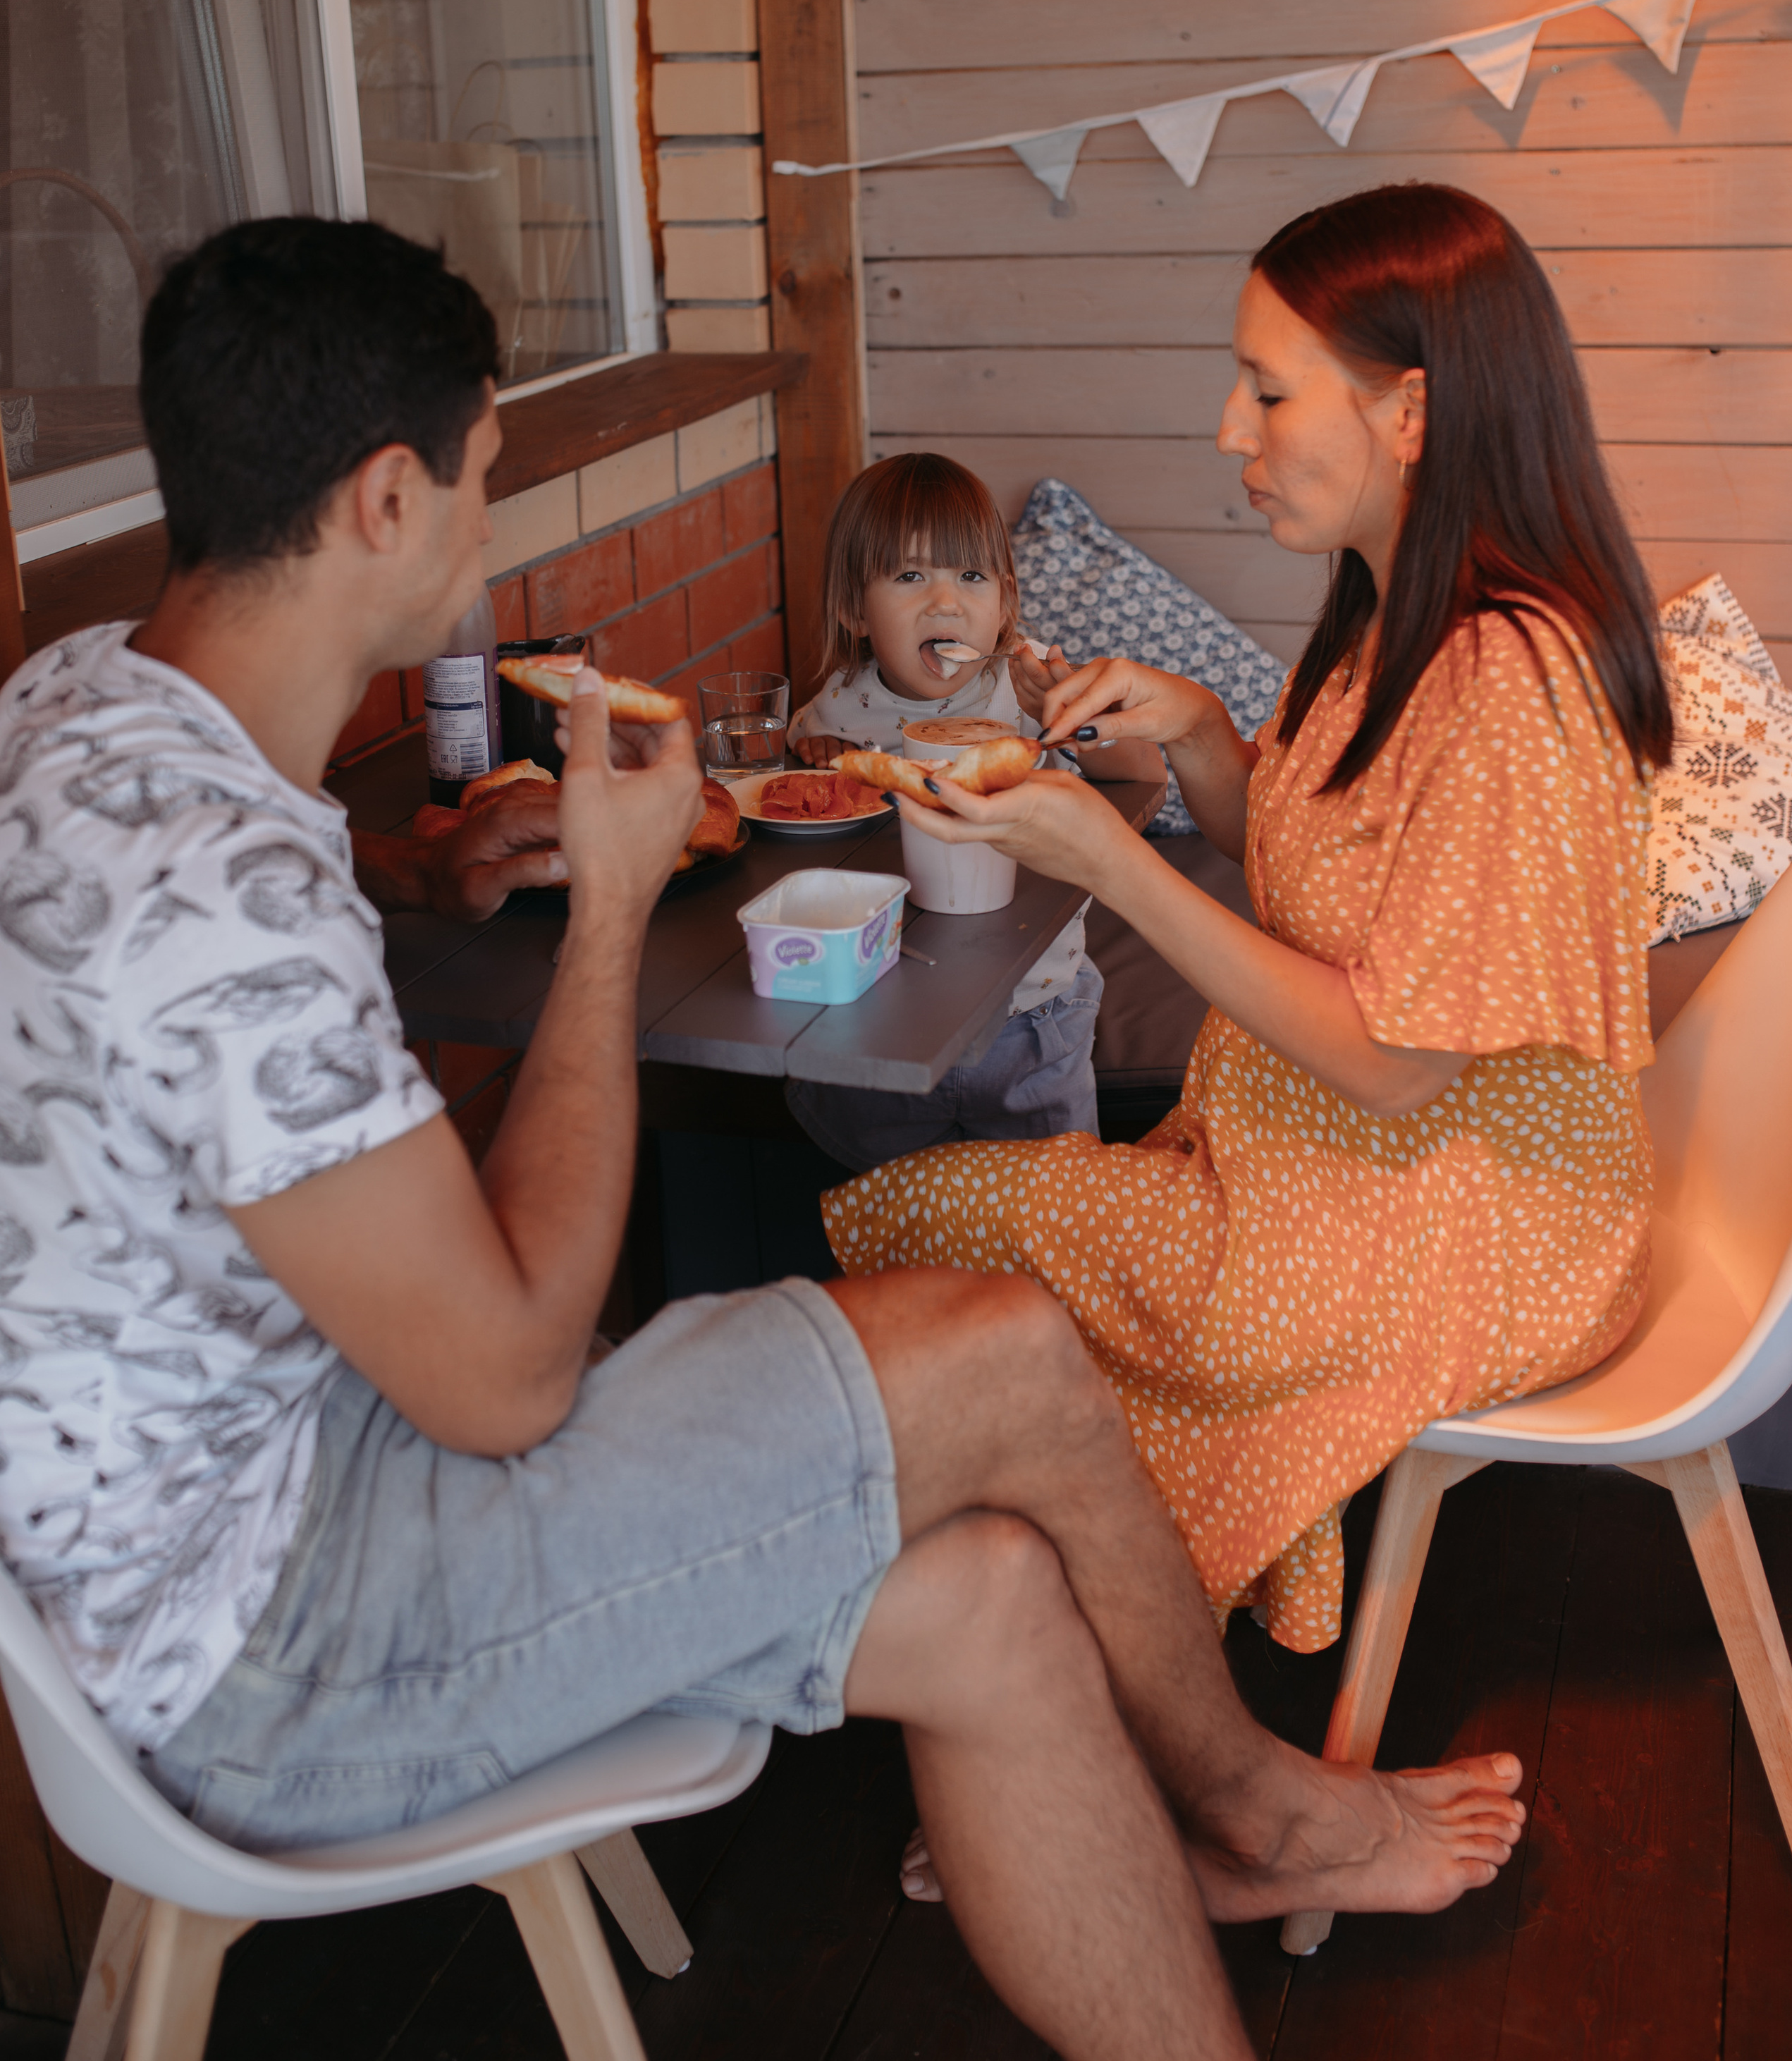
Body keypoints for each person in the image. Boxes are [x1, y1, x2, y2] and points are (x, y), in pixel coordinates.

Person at [0, 216, 1527, 2061]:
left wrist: (402, 862)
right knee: (1013, 1347)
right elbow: (503, 1377)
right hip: (284, 1644)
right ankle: (1265, 1805)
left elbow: (196, 989)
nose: (493, 529)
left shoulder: (82, 707)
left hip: (235, 1533)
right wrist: (623, 907)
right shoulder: (226, 889)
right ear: (387, 501)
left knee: (988, 1600)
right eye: (487, 480)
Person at [826, 183, 1671, 1672]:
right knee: (970, 1243)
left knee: (925, 1225)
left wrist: (1105, 852)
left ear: (1408, 412)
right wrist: (1207, 738)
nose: (1231, 430)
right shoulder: (1392, 610)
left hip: (1468, 1226)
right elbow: (1325, 871)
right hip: (1357, 1175)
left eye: (1267, 390)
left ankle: (1043, 1685)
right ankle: (1077, 1677)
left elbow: (1397, 1061)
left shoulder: (1510, 683)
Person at [785, 453, 1146, 1165]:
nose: (945, 603)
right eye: (911, 576)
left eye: (970, 577)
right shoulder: (834, 710)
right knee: (896, 1226)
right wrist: (811, 756)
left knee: (1056, 1229)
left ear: (1005, 603)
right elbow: (797, 807)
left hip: (1033, 1014)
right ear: (854, 608)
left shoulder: (1025, 686)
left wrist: (1068, 716)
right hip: (882, 1021)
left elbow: (1139, 775)